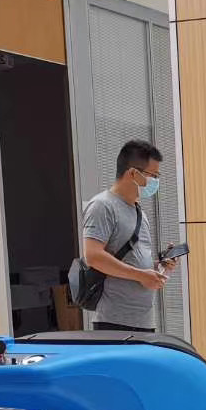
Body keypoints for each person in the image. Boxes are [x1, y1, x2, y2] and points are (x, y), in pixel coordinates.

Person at [81, 139, 174, 333]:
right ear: (133, 173)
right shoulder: (102, 206)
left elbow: (133, 259)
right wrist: (140, 275)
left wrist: (159, 267)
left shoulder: (139, 212)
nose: (155, 182)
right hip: (114, 322)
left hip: (144, 320)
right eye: (153, 175)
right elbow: (93, 256)